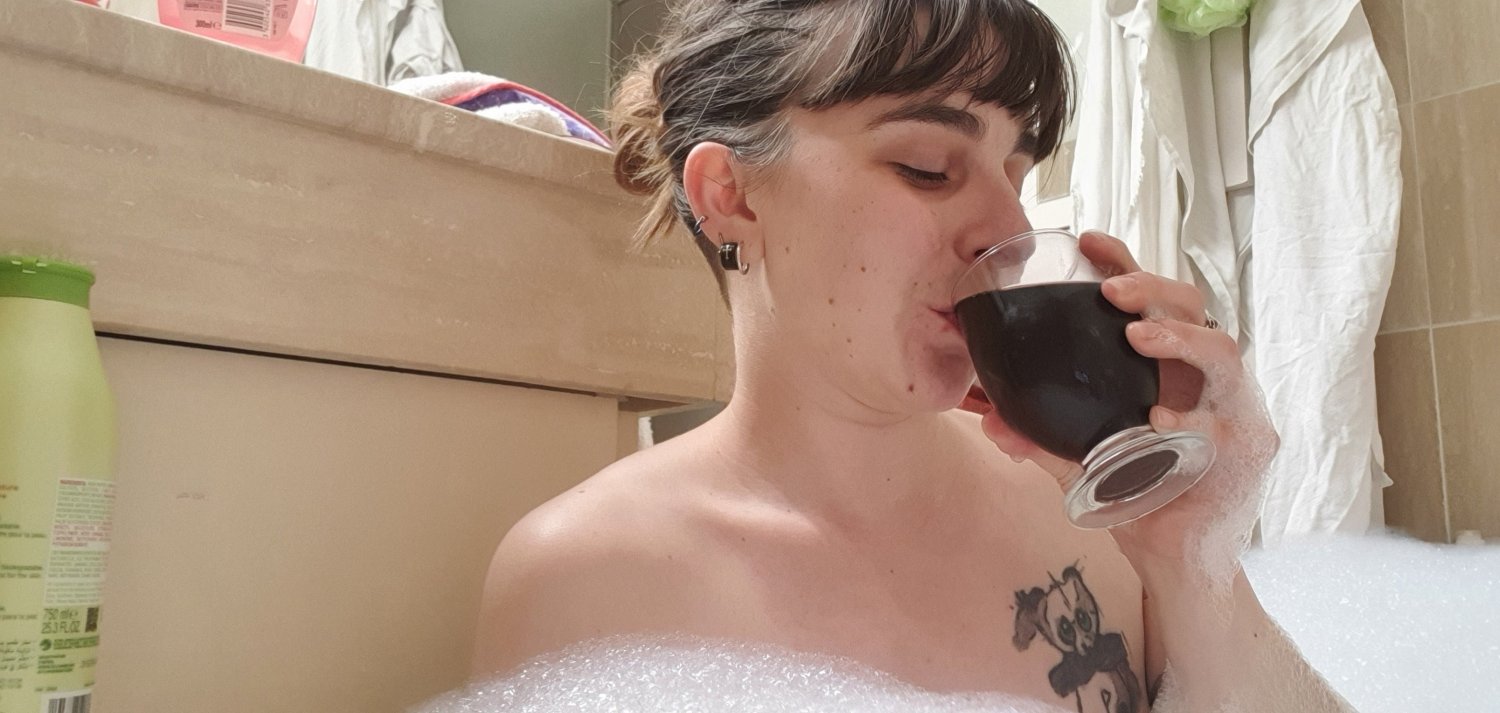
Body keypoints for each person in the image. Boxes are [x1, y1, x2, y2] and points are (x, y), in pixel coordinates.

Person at [472, 1, 1353, 711]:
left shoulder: (1089, 508)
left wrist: (1194, 562)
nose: (1009, 228)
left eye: (1018, 174)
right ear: (730, 195)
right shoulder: (585, 583)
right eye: (929, 166)